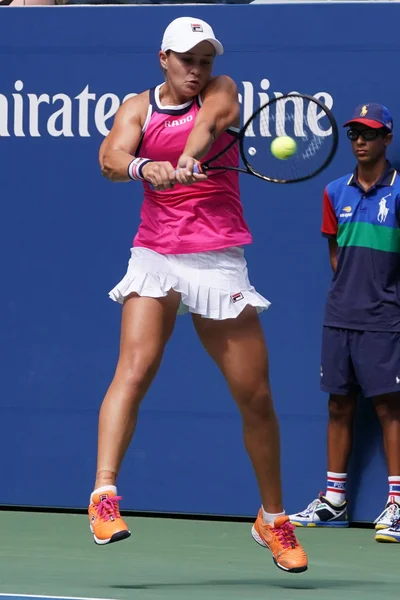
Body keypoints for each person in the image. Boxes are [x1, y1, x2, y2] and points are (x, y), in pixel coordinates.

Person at [87, 16, 308, 573]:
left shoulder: (223, 89)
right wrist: (145, 165)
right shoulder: (137, 106)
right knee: (133, 369)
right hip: (156, 255)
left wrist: (188, 154)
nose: (198, 69)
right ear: (164, 58)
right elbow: (111, 158)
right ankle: (104, 497)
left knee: (254, 396)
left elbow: (211, 122)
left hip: (217, 259)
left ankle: (273, 520)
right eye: (187, 59)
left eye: (205, 59)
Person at [289, 103, 400, 543]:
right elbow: (336, 254)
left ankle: (397, 504)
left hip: (385, 318)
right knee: (338, 404)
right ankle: (335, 501)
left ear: (387, 139)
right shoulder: (335, 191)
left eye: (370, 134)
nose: (360, 140)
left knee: (390, 408)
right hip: (340, 318)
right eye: (354, 133)